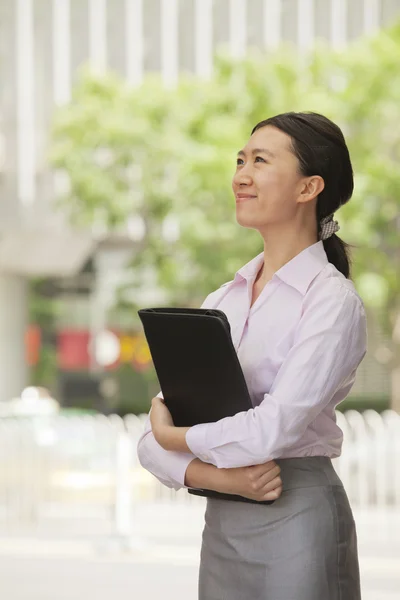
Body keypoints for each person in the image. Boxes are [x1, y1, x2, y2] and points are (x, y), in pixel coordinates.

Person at [137, 111, 367, 600]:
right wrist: (222, 478)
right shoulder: (224, 299)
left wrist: (172, 434)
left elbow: (271, 431)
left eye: (260, 160)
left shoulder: (330, 300)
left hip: (298, 517)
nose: (241, 174)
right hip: (224, 518)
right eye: (240, 159)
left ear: (309, 188)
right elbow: (147, 445)